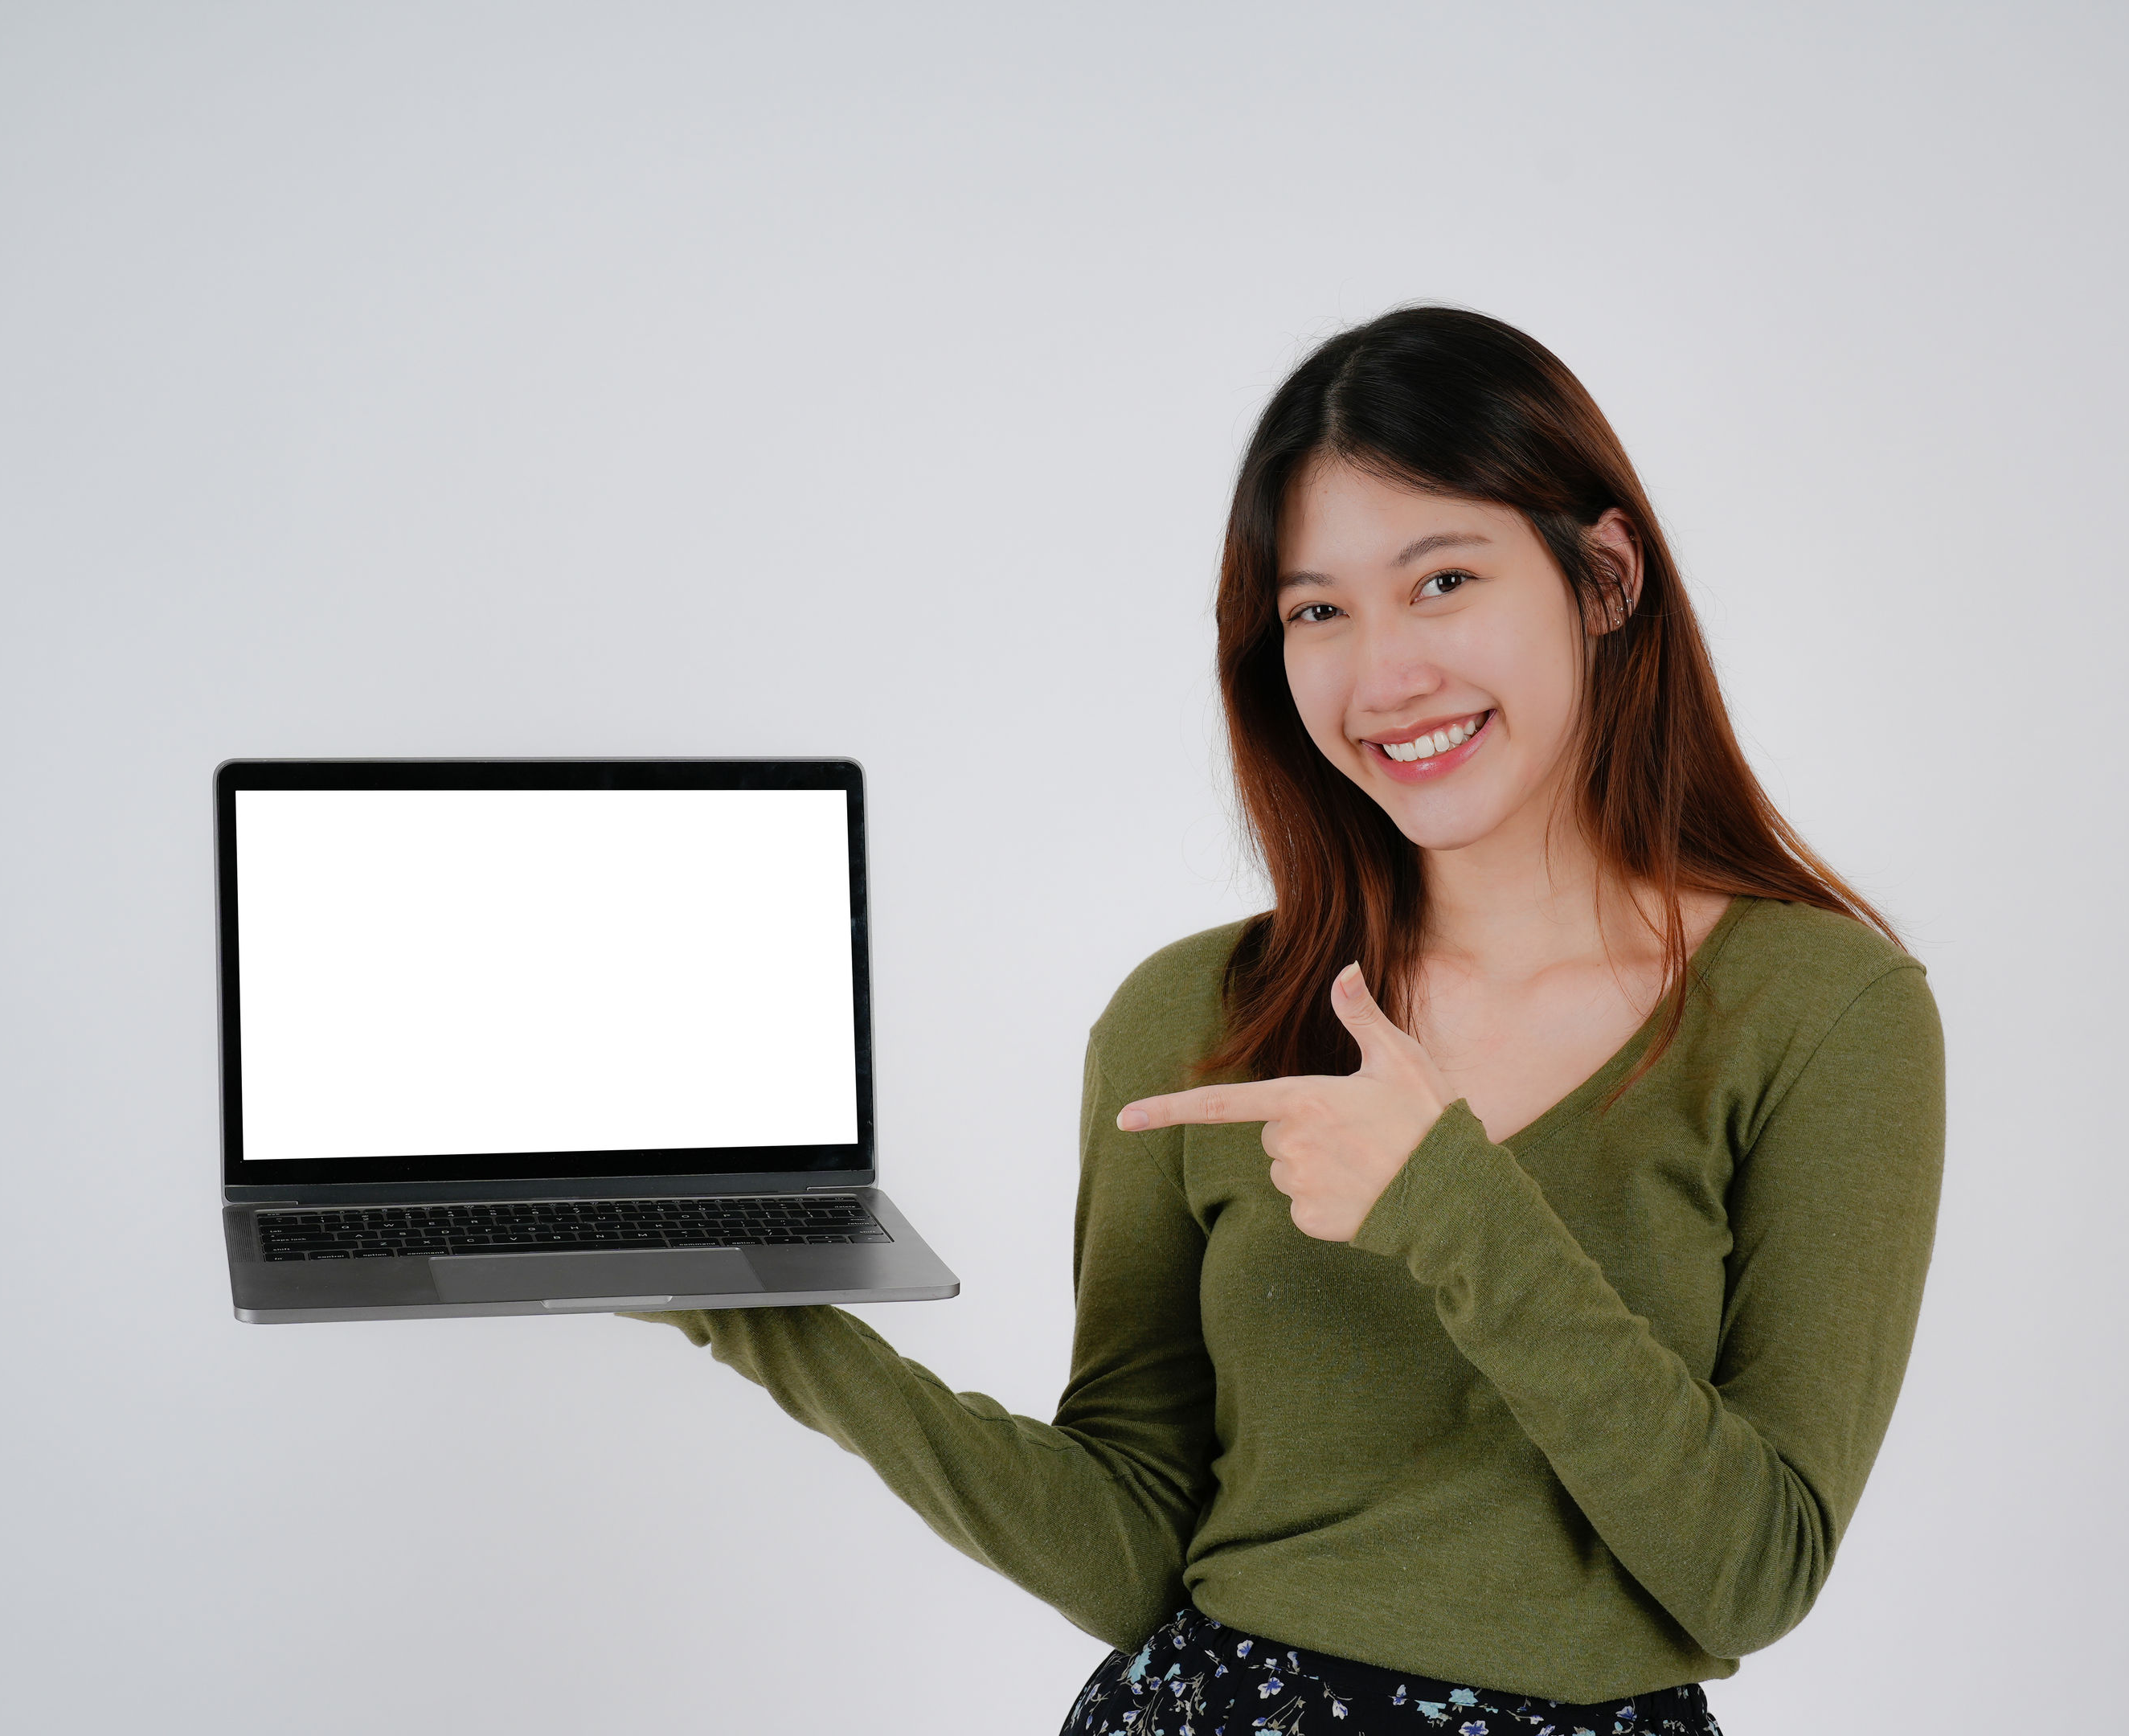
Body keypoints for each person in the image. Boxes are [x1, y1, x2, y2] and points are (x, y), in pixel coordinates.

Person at [629, 306, 1945, 1735]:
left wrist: (1447, 1198)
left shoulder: (1823, 1012)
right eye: (1318, 610)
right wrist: (736, 1298)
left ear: (1607, 576)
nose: (1382, 677)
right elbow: (1131, 1548)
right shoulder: (1195, 1013)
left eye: (1442, 579)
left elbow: (1750, 1576)